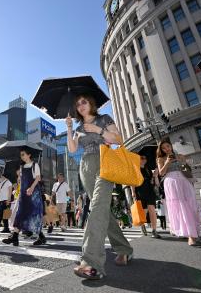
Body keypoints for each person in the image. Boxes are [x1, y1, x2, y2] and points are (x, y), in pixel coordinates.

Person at [67, 94, 134, 280]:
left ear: (91, 103)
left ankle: (90, 261)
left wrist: (98, 130)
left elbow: (119, 139)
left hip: (105, 162)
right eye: (77, 103)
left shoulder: (104, 119)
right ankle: (124, 249)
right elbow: (72, 149)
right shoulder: (78, 127)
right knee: (102, 209)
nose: (80, 105)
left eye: (84, 101)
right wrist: (69, 128)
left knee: (96, 208)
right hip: (85, 167)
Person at [157, 140, 200, 246]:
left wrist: (183, 162)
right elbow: (161, 173)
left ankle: (190, 230)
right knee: (180, 207)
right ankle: (191, 235)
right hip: (171, 181)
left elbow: (186, 171)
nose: (166, 149)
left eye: (168, 146)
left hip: (184, 180)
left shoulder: (180, 156)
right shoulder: (161, 159)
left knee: (190, 205)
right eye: (163, 148)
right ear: (161, 150)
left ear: (171, 146)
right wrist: (167, 162)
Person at [2, 147, 46, 246]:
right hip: (23, 194)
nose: (21, 157)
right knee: (20, 214)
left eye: (23, 154)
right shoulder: (22, 167)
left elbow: (38, 178)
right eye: (21, 155)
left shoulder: (35, 165)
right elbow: (21, 180)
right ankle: (15, 237)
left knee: (33, 215)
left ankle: (40, 236)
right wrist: (17, 184)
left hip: (33, 194)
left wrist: (31, 188)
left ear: (29, 154)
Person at [131, 156, 161, 239]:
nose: (144, 160)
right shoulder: (135, 169)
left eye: (145, 158)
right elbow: (132, 182)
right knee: (144, 212)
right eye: (142, 158)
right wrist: (133, 193)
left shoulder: (148, 170)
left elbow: (154, 183)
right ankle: (142, 225)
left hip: (150, 192)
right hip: (140, 192)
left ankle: (154, 231)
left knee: (152, 210)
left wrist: (155, 176)